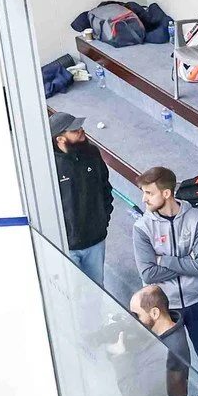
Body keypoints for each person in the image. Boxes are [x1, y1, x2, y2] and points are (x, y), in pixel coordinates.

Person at [131, 166, 198, 367]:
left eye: (149, 193)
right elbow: (149, 273)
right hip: (164, 304)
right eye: (143, 192)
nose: (144, 199)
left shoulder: (196, 219)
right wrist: (188, 261)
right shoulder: (142, 228)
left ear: (167, 193)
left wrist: (164, 260)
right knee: (172, 365)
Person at [50, 111, 110, 285]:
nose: (81, 131)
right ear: (60, 139)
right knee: (71, 297)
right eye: (75, 130)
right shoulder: (49, 164)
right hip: (66, 245)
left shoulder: (92, 153)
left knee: (97, 290)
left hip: (95, 240)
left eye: (80, 127)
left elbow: (105, 188)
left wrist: (103, 220)